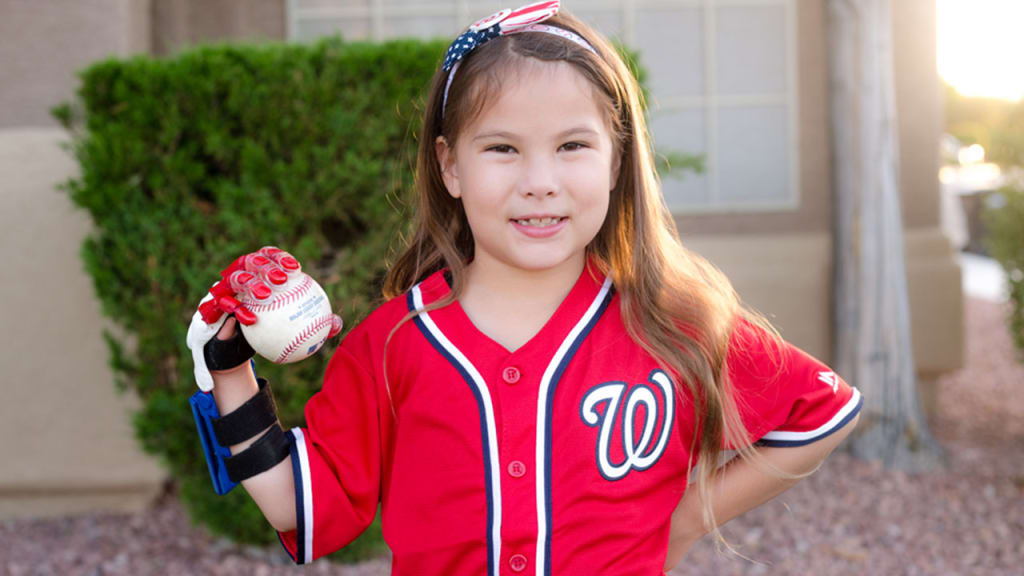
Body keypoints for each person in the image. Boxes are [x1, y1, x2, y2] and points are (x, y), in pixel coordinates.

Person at [185, 1, 863, 574]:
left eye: (572, 146)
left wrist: (687, 517)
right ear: (450, 166)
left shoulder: (666, 318)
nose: (539, 180)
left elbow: (822, 413)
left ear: (617, 158)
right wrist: (229, 372)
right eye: (502, 149)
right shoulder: (393, 341)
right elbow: (301, 506)